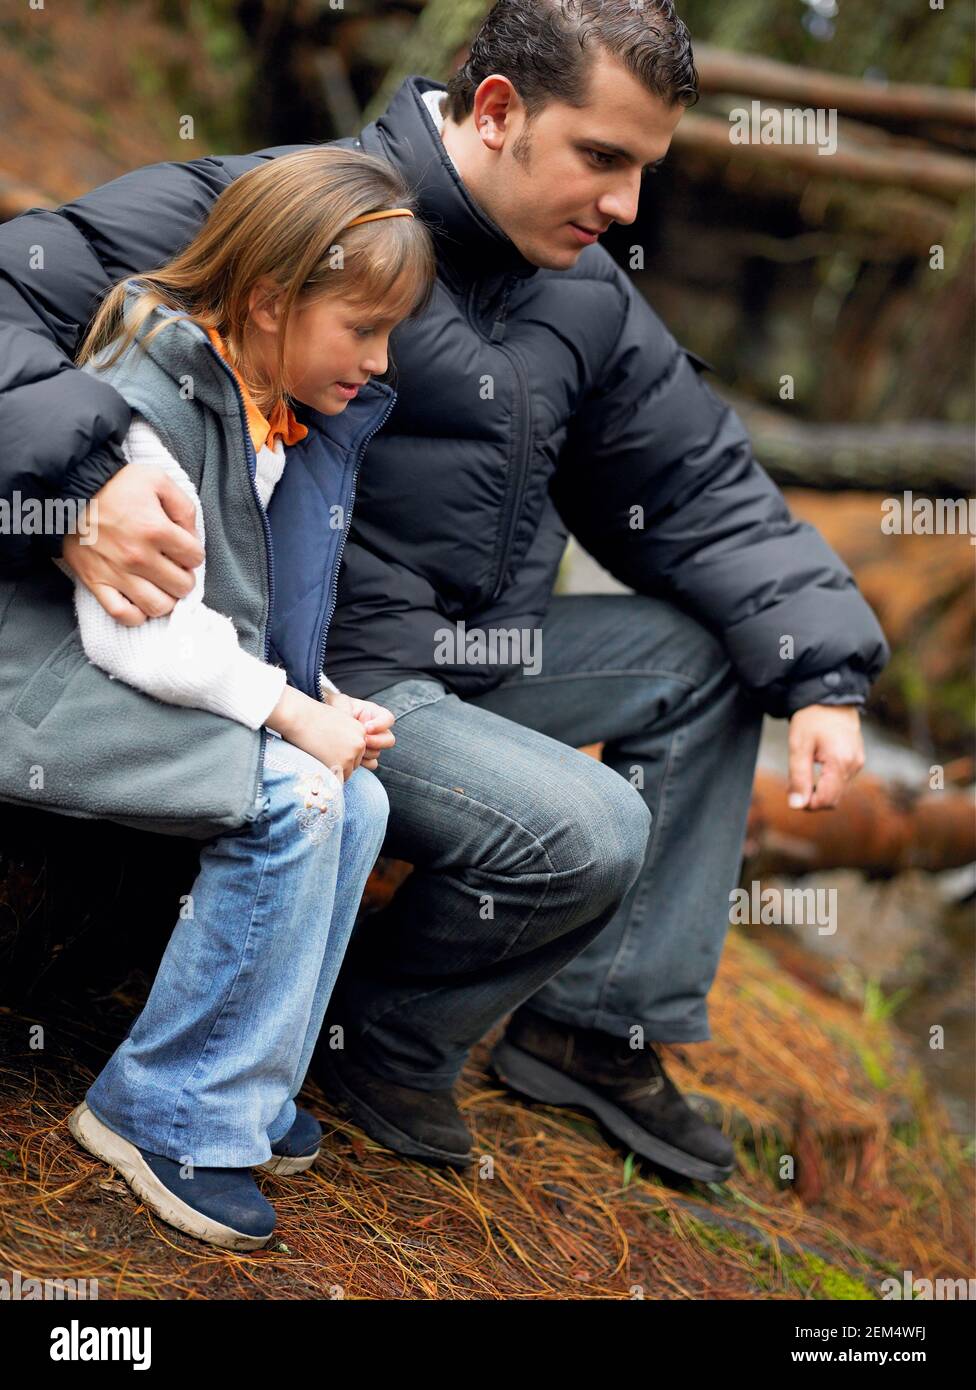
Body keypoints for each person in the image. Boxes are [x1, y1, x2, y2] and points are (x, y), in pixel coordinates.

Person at [0, 0, 889, 1184]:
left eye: (645, 169)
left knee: (707, 656)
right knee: (588, 827)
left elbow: (695, 486)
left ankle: (592, 1020)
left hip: (474, 658)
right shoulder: (296, 210)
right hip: (323, 669)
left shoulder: (586, 294)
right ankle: (369, 1035)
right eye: (603, 158)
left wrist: (822, 670)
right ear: (496, 110)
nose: (628, 205)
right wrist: (81, 483)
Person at [1, 147, 436, 1248]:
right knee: (296, 798)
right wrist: (293, 719)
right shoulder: (156, 398)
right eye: (363, 329)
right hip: (54, 695)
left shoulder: (258, 400)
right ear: (269, 301)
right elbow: (141, 632)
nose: (381, 362)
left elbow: (230, 605)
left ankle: (252, 1071)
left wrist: (318, 692)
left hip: (130, 673)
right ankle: (167, 1113)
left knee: (361, 799)